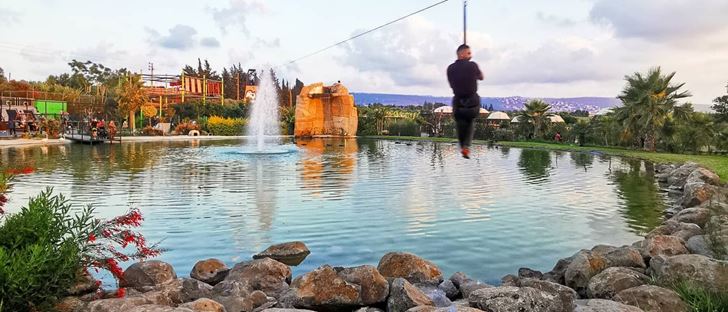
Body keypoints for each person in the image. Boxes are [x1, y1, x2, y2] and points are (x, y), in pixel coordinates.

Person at [447, 44, 484, 159]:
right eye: (468, 53)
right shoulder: (473, 66)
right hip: (472, 101)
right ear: (461, 54)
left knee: (460, 123)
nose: (471, 55)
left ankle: (463, 145)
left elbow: (451, 83)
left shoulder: (450, 68)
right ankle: (466, 146)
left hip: (458, 102)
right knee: (470, 122)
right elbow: (481, 77)